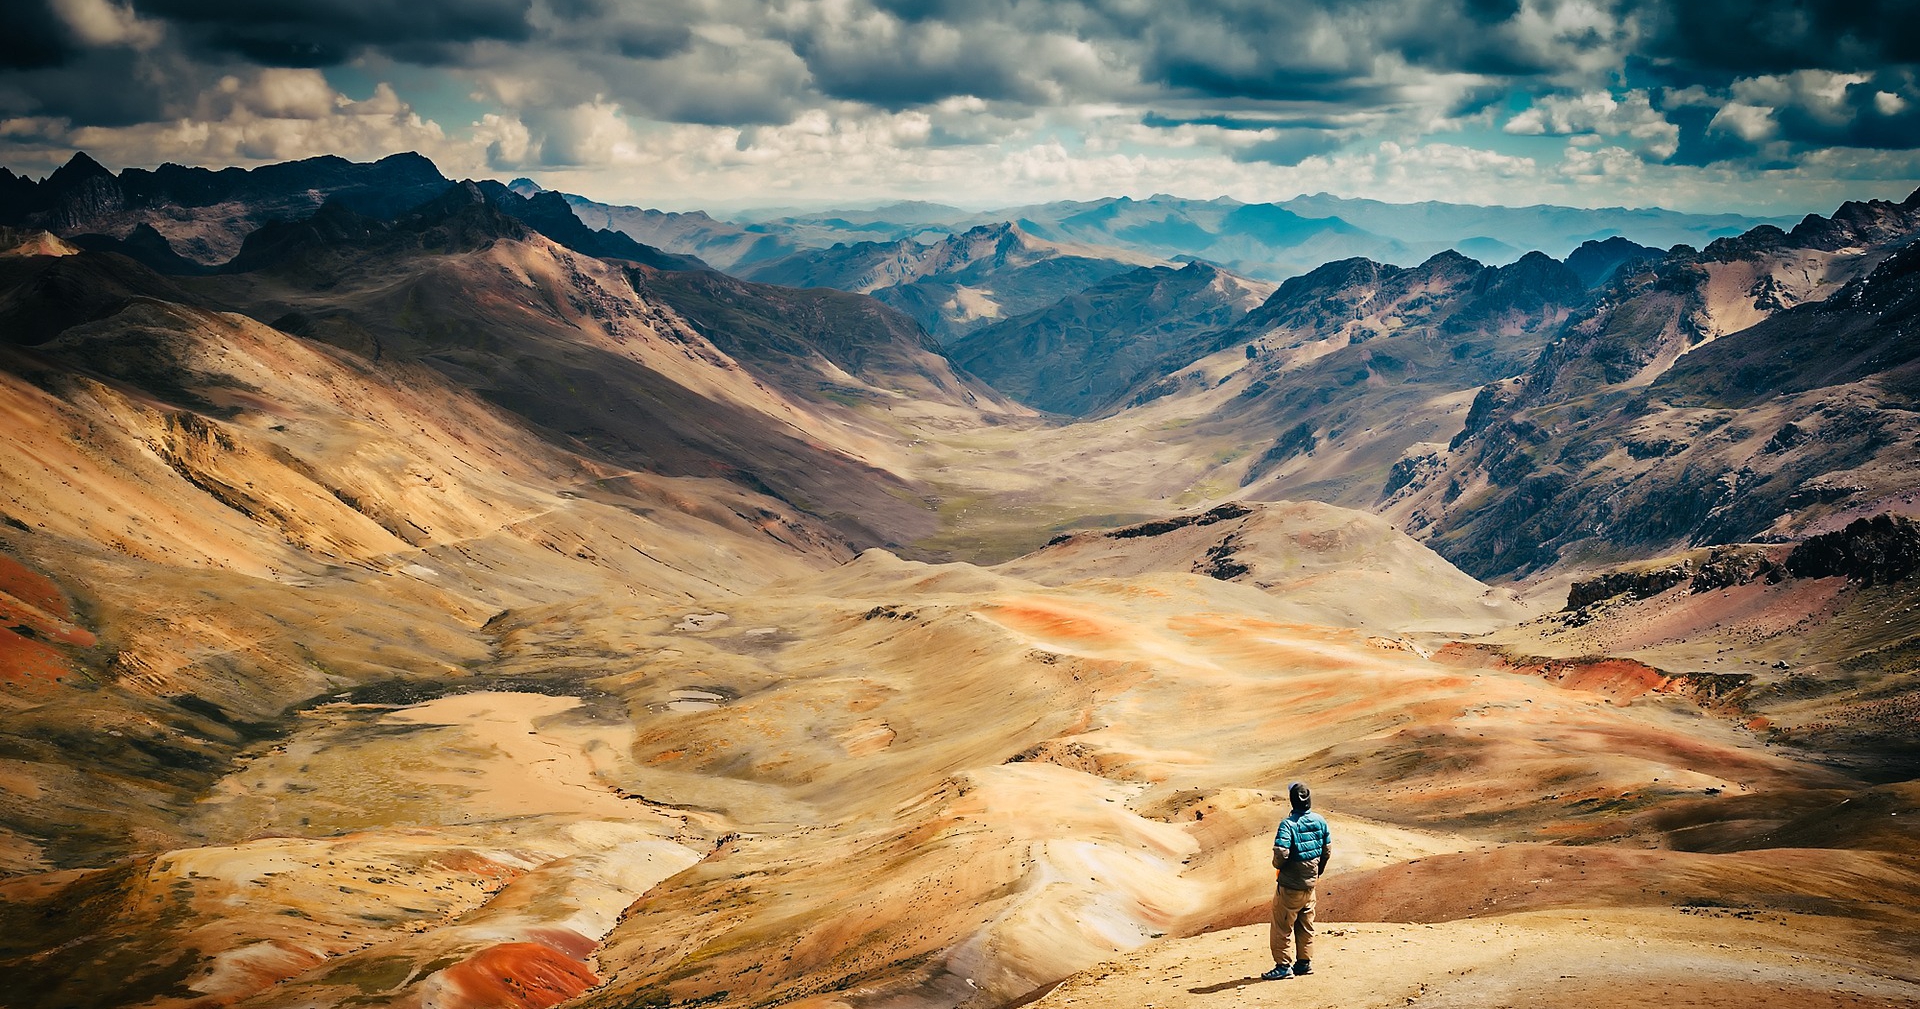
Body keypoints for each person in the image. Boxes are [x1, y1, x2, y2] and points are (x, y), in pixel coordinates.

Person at [1262, 781, 1330, 980]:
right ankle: (1304, 963)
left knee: (1282, 926)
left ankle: (1283, 967)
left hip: (1290, 886)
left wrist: (1278, 866)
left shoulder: (1288, 824)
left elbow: (1281, 852)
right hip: (1310, 886)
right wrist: (1316, 874)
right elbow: (1327, 851)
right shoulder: (1320, 821)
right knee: (1306, 925)